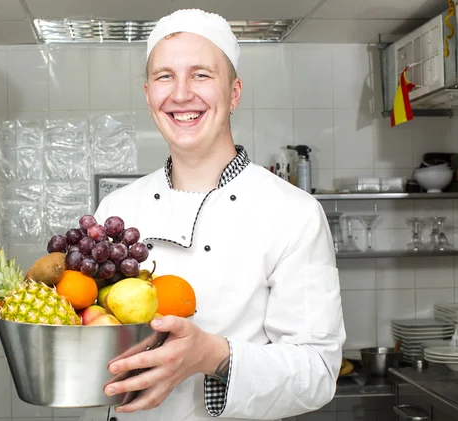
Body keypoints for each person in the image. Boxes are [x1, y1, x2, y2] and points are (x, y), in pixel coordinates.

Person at [83, 8, 346, 421]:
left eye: (201, 75)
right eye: (165, 76)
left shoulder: (293, 213)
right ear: (148, 93)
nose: (182, 93)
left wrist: (213, 356)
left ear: (235, 93)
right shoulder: (118, 208)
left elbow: (317, 373)